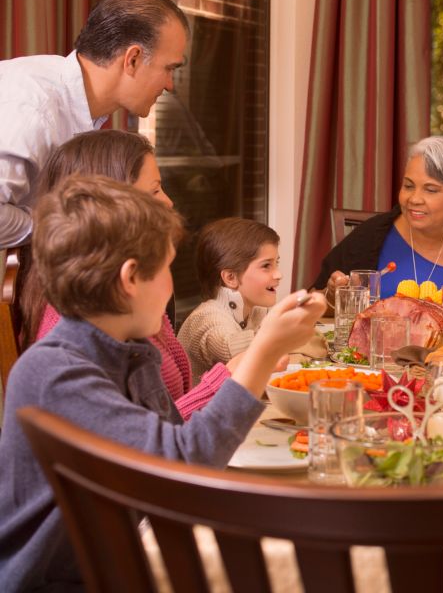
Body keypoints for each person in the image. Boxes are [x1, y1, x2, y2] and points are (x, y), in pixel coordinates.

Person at [0, 175, 324, 590]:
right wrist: (262, 353)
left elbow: (177, 447)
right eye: (167, 268)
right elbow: (179, 469)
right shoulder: (54, 372)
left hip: (111, 555)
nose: (172, 285)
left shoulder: (133, 352)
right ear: (131, 278)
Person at [19, 129, 233, 420]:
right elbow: (154, 442)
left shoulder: (131, 312)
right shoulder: (72, 353)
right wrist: (233, 379)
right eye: (154, 190)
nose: (168, 202)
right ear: (113, 200)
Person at [0, 0, 189, 248]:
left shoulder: (83, 111)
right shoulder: (34, 107)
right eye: (168, 69)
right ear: (132, 59)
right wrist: (72, 229)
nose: (170, 84)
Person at [314, 135, 443, 316]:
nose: (414, 199)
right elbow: (310, 307)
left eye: (431, 190)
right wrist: (332, 298)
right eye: (408, 186)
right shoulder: (369, 238)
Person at [178, 218, 283, 378]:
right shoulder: (206, 318)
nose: (278, 274)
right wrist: (284, 332)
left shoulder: (257, 309)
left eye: (277, 263)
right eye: (266, 266)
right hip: (203, 403)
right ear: (231, 277)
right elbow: (229, 349)